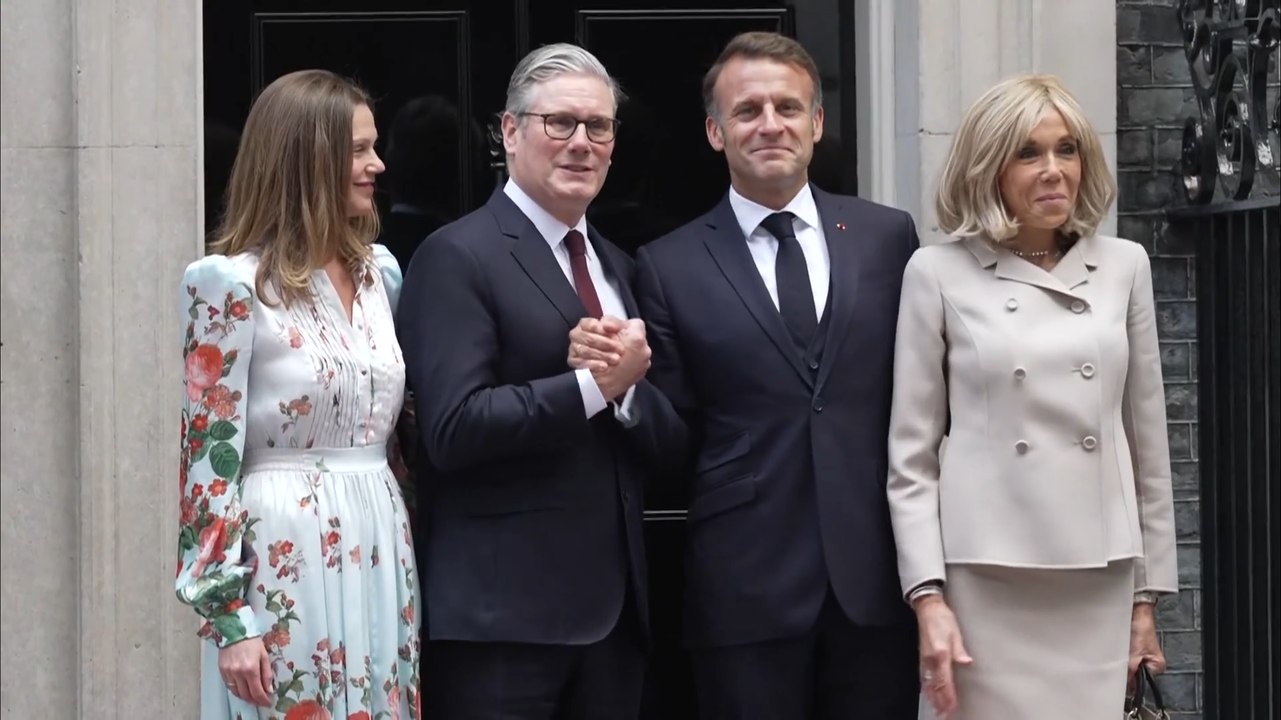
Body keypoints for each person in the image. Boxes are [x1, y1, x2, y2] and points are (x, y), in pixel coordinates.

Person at [596, 31, 922, 718]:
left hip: (876, 582)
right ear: (715, 132)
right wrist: (623, 390)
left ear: (817, 123)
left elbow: (924, 402)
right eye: (747, 111)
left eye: (787, 107)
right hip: (743, 591)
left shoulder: (888, 237)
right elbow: (674, 442)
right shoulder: (668, 264)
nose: (770, 124)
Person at [397, 43, 686, 719]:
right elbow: (453, 429)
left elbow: (672, 448)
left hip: (615, 624)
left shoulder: (619, 266)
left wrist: (627, 390)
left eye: (598, 127)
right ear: (509, 130)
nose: (581, 143)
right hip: (501, 625)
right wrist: (593, 388)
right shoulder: (456, 255)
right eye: (559, 122)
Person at [886, 73, 1177, 719]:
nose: (1053, 170)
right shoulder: (936, 273)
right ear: (987, 166)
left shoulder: (1124, 265)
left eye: (1066, 149)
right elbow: (911, 460)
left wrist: (1145, 600)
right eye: (1028, 152)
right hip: (985, 574)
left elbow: (1146, 449)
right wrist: (927, 597)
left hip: (1097, 574)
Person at [175, 69, 420, 719]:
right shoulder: (227, 285)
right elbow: (207, 458)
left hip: (378, 533)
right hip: (283, 543)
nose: (378, 164)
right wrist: (230, 617)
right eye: (359, 150)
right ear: (308, 161)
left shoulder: (381, 275)